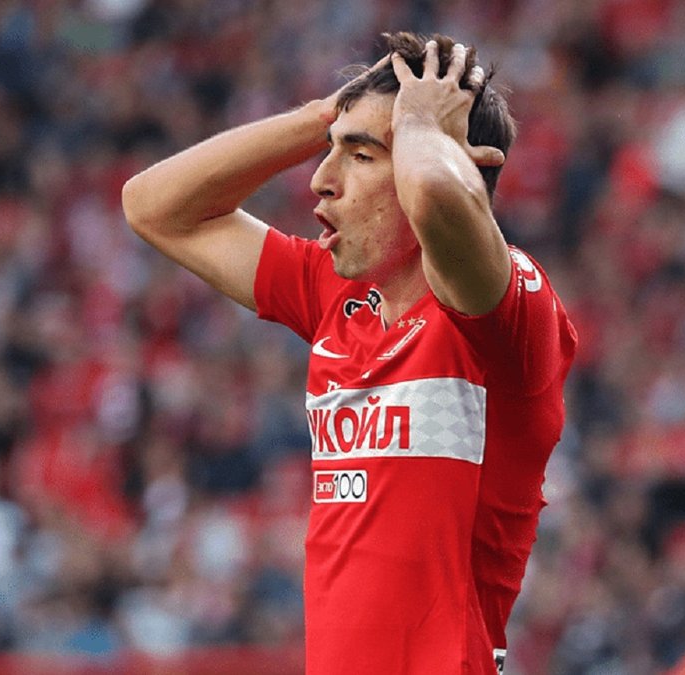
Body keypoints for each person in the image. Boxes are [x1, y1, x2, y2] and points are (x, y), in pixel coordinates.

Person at [122, 31, 577, 675]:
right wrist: (323, 116)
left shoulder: (503, 318)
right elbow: (154, 208)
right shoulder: (336, 297)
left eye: (361, 155)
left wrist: (420, 126)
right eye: (332, 151)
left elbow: (438, 197)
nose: (320, 180)